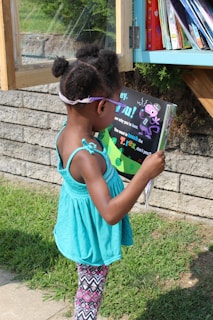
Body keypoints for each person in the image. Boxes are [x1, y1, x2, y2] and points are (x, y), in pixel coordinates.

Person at [52, 43, 165, 320]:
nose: (118, 113)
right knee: (89, 298)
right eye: (117, 105)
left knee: (88, 291)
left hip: (82, 228)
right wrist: (144, 174)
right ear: (101, 106)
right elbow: (111, 212)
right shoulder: (86, 157)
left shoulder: (70, 134)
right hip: (92, 240)